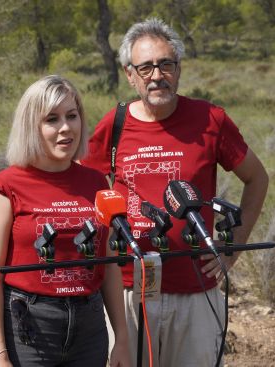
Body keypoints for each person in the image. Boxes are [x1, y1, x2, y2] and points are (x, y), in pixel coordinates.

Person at [81, 18, 269, 367]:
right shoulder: (115, 124)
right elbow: (86, 191)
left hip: (196, 290)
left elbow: (257, 178)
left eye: (166, 64)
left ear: (178, 69)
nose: (157, 75)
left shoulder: (209, 119)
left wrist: (232, 248)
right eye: (146, 67)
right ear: (129, 74)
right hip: (127, 292)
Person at [0, 75, 130, 367]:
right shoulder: (5, 187)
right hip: (31, 327)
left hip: (89, 325)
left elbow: (108, 265)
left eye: (72, 116)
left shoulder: (97, 182)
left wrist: (121, 338)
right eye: (52, 119)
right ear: (31, 126)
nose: (65, 128)